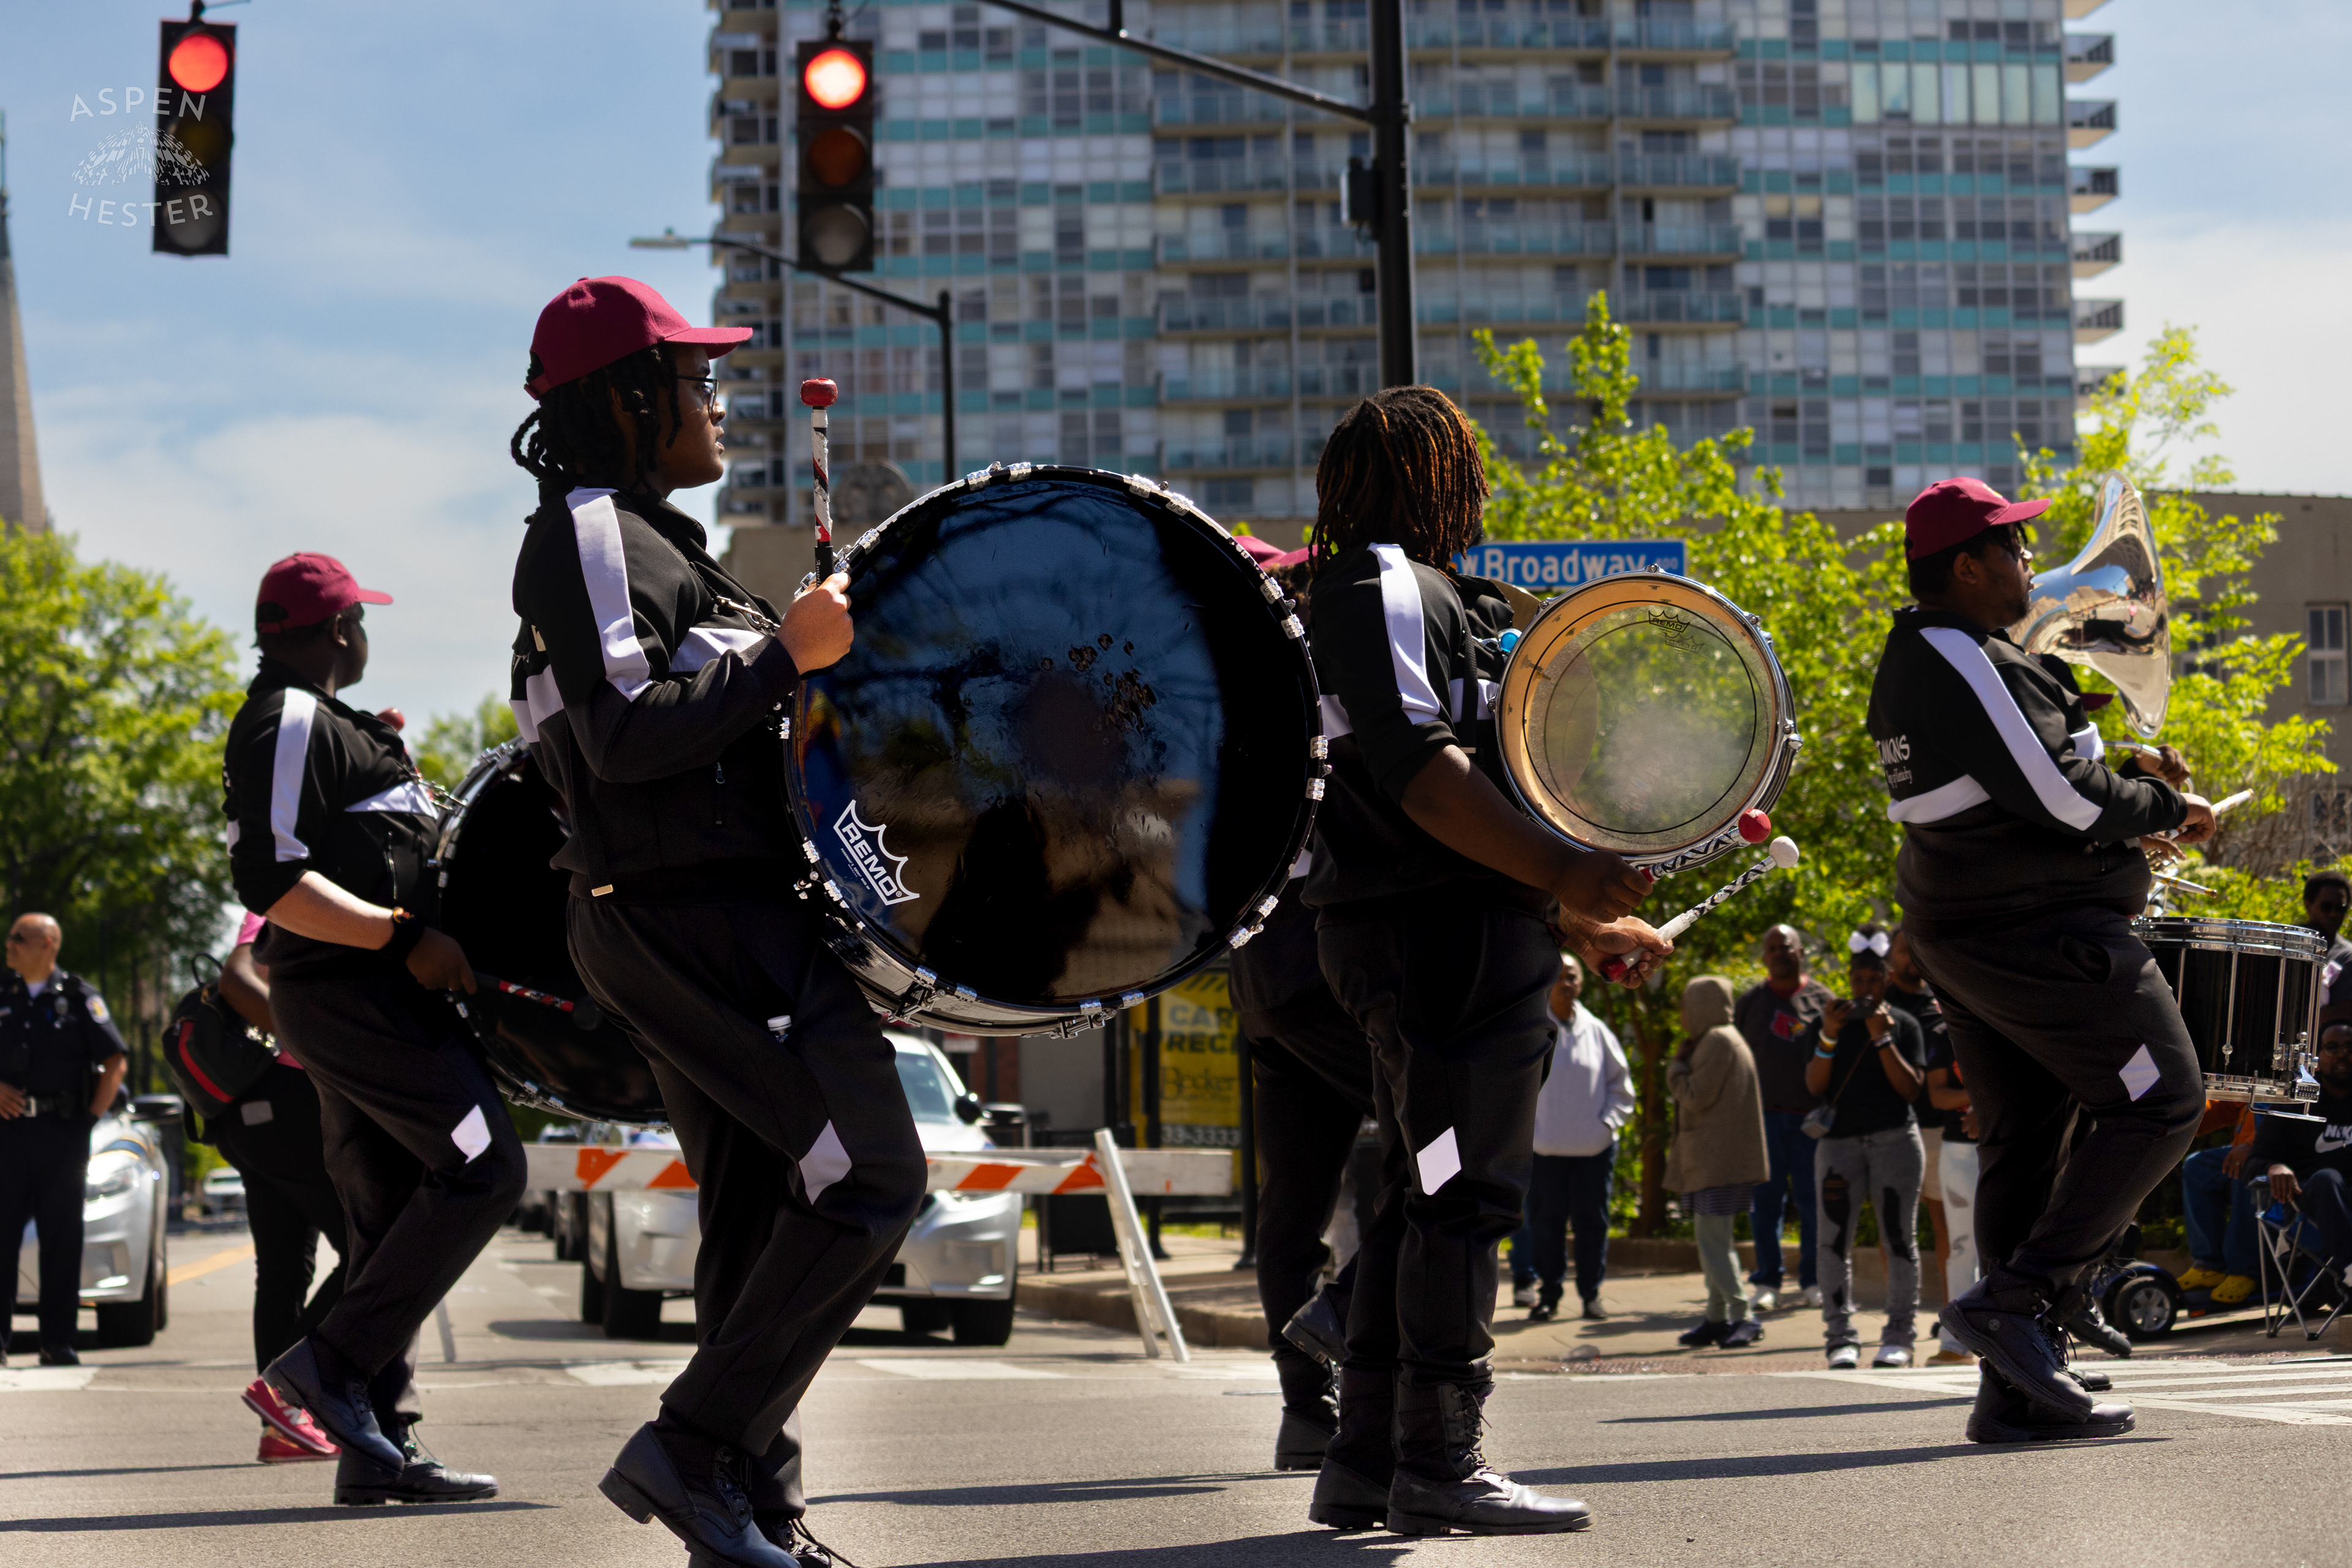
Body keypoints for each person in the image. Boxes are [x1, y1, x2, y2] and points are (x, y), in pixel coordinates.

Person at [507, 276, 922, 1568]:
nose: (721, 402)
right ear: (627, 399)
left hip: (722, 909)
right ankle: (693, 1449)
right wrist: (782, 657)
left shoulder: (659, 542)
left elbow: (732, 711)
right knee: (869, 1175)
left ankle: (753, 1517)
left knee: (760, 1216)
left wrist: (812, 658)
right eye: (696, 380)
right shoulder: (585, 532)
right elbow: (623, 738)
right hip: (689, 917)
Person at [1300, 385, 1668, 1537]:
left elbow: (1480, 797)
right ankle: (1439, 1462)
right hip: (1432, 941)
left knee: (1430, 1194)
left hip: (1457, 933)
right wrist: (1563, 877)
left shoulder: (1443, 598)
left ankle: (1366, 1461)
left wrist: (1573, 917)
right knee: (1464, 1196)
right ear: (1424, 476)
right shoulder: (1380, 585)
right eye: (1467, 466)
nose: (1485, 489)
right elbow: (1416, 774)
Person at [1869, 475, 2215, 1444]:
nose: (2032, 562)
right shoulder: (1954, 655)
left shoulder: (1960, 656)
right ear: (1966, 567)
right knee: (2163, 1101)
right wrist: (2159, 809)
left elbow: (2051, 775)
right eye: (2014, 548)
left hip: (1984, 932)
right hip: (2037, 932)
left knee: (2028, 1139)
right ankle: (2022, 1304)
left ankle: (2015, 1393)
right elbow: (2063, 803)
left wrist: (2131, 780)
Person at [225, 552, 524, 1505]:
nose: (366, 636)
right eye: (360, 620)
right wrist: (399, 936)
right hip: (352, 996)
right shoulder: (290, 718)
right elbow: (270, 881)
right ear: (338, 630)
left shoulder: (339, 726)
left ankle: (379, 1451)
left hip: (369, 996)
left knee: (387, 1216)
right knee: (487, 1166)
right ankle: (325, 1367)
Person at [1232, 848, 1377, 1472]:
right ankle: (1340, 1308)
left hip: (1260, 963)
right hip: (1330, 941)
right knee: (1451, 1144)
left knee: (1291, 1204)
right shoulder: (1350, 744)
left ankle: (1307, 1411)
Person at [210, 912, 348, 1464]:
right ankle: (286, 1388)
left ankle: (283, 1427)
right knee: (378, 1249)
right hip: (289, 1099)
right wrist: (314, 1041)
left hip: (257, 1112)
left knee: (284, 1267)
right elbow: (238, 977)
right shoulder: (288, 896)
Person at [0, 913, 129, 1366]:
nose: (9, 944)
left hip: (62, 1134)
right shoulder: (4, 993)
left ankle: (57, 1341)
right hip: (8, 1136)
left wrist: (88, 1122)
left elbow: (115, 1063)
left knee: (61, 1239)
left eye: (19, 938)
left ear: (48, 944)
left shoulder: (78, 999)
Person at [1800, 924, 1928, 1369]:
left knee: (1898, 1240)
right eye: (1858, 979)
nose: (1866, 988)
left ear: (1888, 978)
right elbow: (1815, 1087)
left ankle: (1899, 1336)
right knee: (1833, 1242)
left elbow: (1911, 1090)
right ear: (1848, 978)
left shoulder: (1904, 1024)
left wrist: (1883, 1037)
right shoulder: (1827, 1022)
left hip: (1896, 1140)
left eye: (1874, 979)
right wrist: (1830, 1035)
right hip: (1839, 1146)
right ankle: (1840, 1337)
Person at [1509, 953, 1632, 1324]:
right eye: (1560, 976)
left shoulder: (1597, 1031)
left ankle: (1592, 1296)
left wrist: (1607, 1125)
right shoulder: (1532, 1028)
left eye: (1573, 976)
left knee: (1593, 1224)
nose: (1567, 983)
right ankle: (1548, 1296)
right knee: (1546, 1226)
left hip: (1594, 1151)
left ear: (1582, 982)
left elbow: (1621, 1085)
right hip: (1545, 1150)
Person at [1666, 975, 1769, 1350]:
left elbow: (1695, 1096)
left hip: (1715, 1163)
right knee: (1714, 1239)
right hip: (1718, 1161)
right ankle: (1715, 1316)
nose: (1682, 1015)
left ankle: (1743, 1315)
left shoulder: (1717, 1041)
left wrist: (1676, 1068)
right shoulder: (1728, 1038)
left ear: (1701, 1006)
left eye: (1686, 1006)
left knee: (1712, 1243)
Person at [1736, 924, 1831, 1312]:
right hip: (1764, 1121)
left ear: (1800, 952)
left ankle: (1813, 1281)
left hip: (1812, 1122)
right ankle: (1768, 1281)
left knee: (1813, 1204)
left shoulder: (1824, 1000)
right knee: (1765, 1203)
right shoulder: (1750, 1004)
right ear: (1764, 956)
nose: (1779, 953)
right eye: (1772, 947)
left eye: (1786, 947)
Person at [1890, 925, 1969, 1362]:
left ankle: (1949, 1311)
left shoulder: (1939, 1004)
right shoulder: (1878, 1005)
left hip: (1938, 1130)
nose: (1911, 959)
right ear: (1889, 956)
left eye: (1915, 950)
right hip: (1893, 1130)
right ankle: (1898, 1317)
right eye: (1903, 950)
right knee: (1896, 1231)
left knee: (1947, 1229)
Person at [2250, 1020, 2352, 1286]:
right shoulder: (2296, 1103)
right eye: (2332, 1048)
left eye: (2349, 1047)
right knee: (2328, 1178)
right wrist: (2273, 1168)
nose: (2342, 1054)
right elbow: (2255, 1160)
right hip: (2309, 1203)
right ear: (2317, 1059)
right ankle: (2351, 1271)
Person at [2177, 1107, 2262, 1306]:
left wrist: (2252, 1145)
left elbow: (2292, 1119)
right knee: (2197, 1166)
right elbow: (2224, 1105)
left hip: (2277, 1154)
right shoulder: (2259, 1079)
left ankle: (2244, 1269)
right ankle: (2209, 1265)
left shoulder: (2306, 1076)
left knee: (2245, 1170)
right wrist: (2183, 1112)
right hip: (2246, 1150)